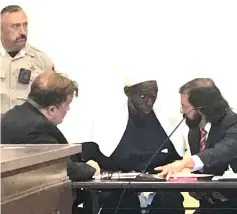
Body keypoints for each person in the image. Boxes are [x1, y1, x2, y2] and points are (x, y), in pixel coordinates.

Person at [69, 75, 186, 214]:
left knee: (170, 202)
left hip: (160, 194)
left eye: (153, 96)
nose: (149, 103)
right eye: (143, 96)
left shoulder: (167, 120)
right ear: (128, 93)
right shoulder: (105, 120)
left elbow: (176, 159)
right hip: (117, 194)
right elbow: (77, 158)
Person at [155, 78, 237, 214]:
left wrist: (184, 164)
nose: (181, 111)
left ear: (201, 108)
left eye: (185, 106)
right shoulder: (194, 131)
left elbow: (221, 152)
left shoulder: (233, 123)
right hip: (209, 206)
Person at [0, 5, 54, 113]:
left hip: (27, 128)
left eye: (25, 25)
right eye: (15, 26)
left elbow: (53, 102)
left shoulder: (41, 60)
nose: (22, 32)